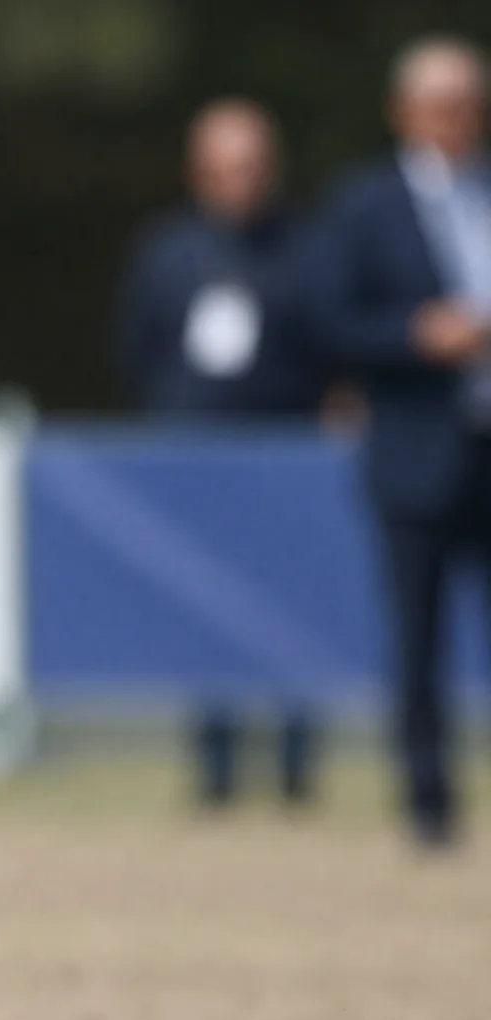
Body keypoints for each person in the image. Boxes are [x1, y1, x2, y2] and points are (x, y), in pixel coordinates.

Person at [117, 99, 329, 808]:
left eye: (251, 166)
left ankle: (297, 772)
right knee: (203, 613)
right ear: (199, 172)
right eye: (225, 167)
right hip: (198, 456)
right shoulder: (168, 252)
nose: (239, 180)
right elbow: (139, 349)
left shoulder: (306, 248)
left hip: (288, 457)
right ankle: (214, 771)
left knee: (294, 612)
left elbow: (329, 345)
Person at [308, 37, 491, 846]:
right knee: (417, 640)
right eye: (444, 104)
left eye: (472, 103)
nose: (460, 120)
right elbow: (331, 320)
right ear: (405, 113)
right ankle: (429, 804)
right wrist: (420, 335)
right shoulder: (363, 205)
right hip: (417, 447)